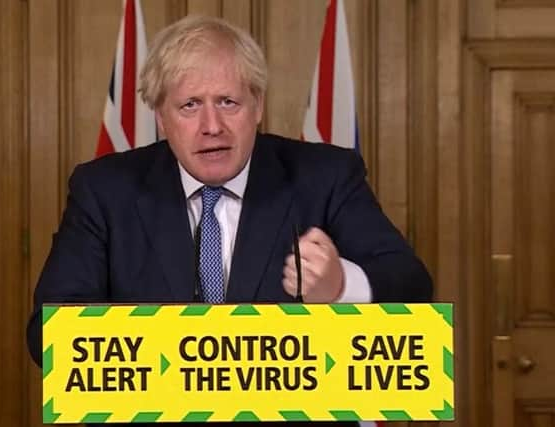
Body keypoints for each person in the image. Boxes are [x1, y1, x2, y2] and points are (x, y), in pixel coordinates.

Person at [27, 15, 432, 427]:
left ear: (257, 106)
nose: (212, 127)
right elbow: (48, 332)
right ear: (161, 119)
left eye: (228, 102)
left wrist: (342, 286)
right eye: (189, 106)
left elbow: (414, 286)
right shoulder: (105, 190)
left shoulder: (324, 176)